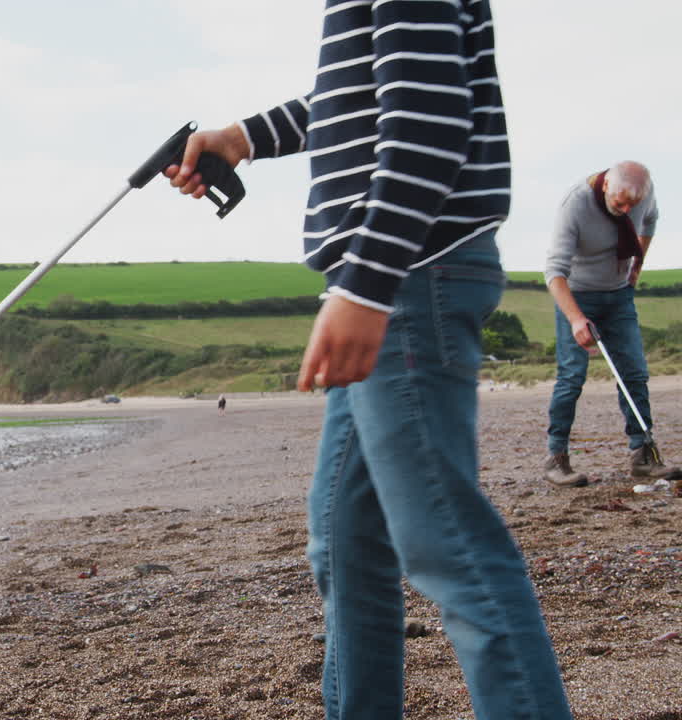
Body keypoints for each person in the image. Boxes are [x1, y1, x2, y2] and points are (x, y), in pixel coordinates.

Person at [166, 1, 572, 717]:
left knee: (444, 539)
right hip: (399, 279)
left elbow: (427, 119)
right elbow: (365, 96)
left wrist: (367, 283)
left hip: (415, 275)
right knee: (346, 543)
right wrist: (244, 138)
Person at [542, 161, 677, 488]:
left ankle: (643, 455)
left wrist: (636, 267)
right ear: (605, 187)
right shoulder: (574, 205)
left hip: (618, 297)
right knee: (572, 376)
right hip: (577, 294)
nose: (627, 209)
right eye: (621, 203)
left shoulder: (643, 194)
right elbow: (553, 272)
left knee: (633, 372)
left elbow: (651, 221)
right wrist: (576, 319)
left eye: (634, 203)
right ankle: (556, 458)